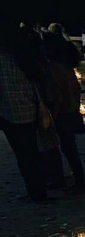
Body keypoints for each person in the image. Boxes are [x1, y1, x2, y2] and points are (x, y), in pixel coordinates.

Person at [0, 23, 47, 202]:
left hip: (9, 114)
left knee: (22, 155)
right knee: (33, 152)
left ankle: (34, 191)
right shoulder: (23, 57)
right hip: (29, 110)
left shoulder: (3, 59)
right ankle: (40, 189)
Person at [43, 32, 85, 191]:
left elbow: (57, 94)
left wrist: (52, 114)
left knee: (68, 147)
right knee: (69, 147)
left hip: (62, 112)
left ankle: (79, 183)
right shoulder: (66, 65)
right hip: (71, 109)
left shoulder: (54, 67)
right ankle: (77, 180)